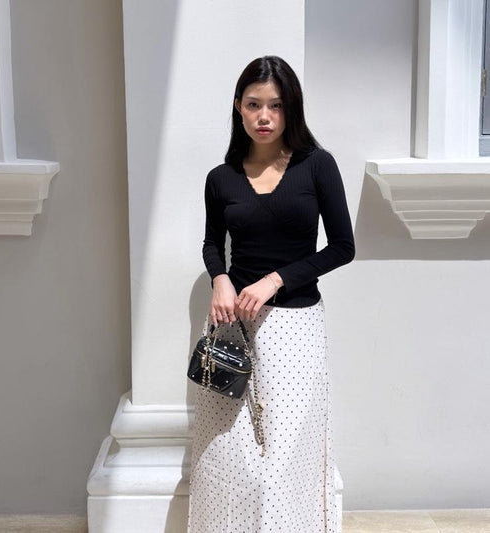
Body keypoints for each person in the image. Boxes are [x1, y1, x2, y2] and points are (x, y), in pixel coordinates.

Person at [187, 55, 355, 533]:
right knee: (226, 452)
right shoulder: (221, 177)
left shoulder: (317, 166)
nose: (264, 116)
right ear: (238, 107)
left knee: (287, 453)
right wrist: (220, 278)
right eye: (254, 104)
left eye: (276, 106)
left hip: (295, 326)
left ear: (291, 109)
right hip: (232, 325)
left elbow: (343, 247)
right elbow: (212, 242)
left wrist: (276, 279)